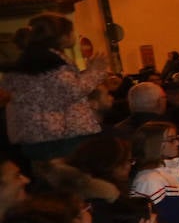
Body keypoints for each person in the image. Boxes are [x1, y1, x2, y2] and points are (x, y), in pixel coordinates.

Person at [0, 12, 106, 161]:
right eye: (71, 32)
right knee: (69, 179)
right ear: (62, 37)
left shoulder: (23, 61)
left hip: (32, 135)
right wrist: (96, 72)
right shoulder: (52, 62)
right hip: (60, 136)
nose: (74, 36)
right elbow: (71, 91)